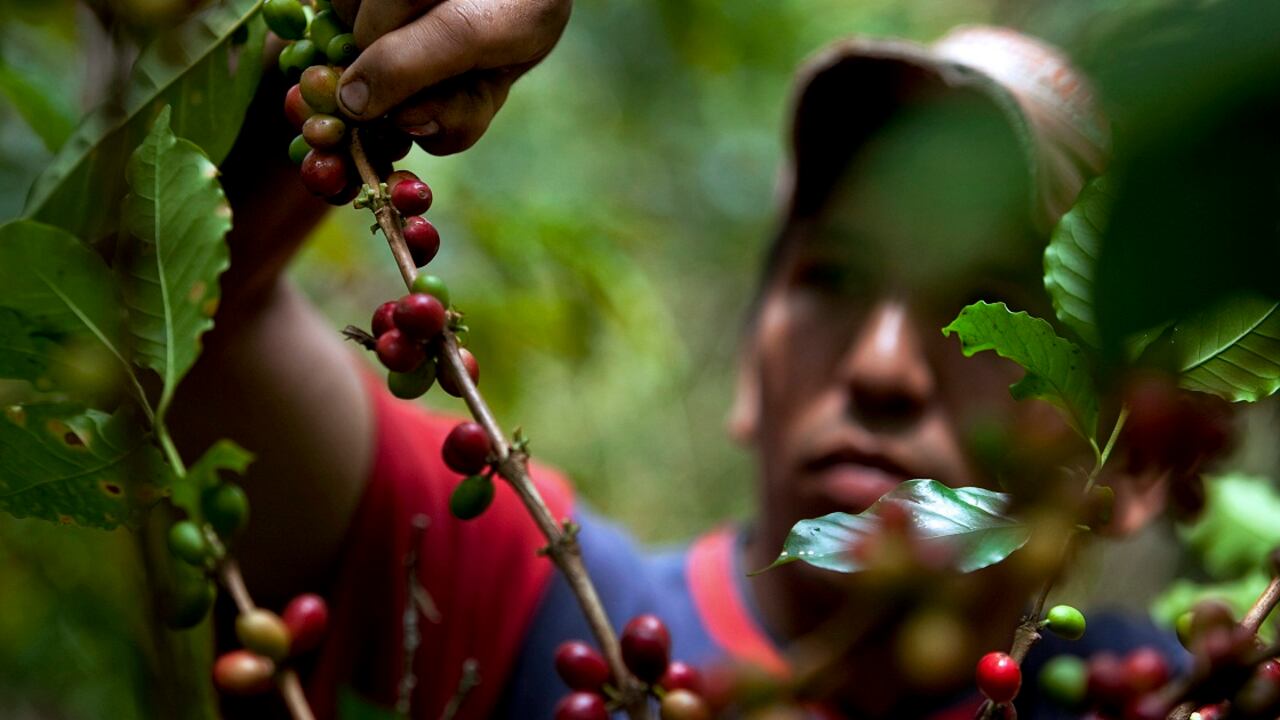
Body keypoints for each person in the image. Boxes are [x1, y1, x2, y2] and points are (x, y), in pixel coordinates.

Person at [178, 5, 1184, 717]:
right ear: (752, 365)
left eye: (990, 314)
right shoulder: (532, 606)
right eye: (832, 278)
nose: (882, 367)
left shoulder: (1180, 699)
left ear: (1128, 460)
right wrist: (356, 54)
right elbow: (186, 325)